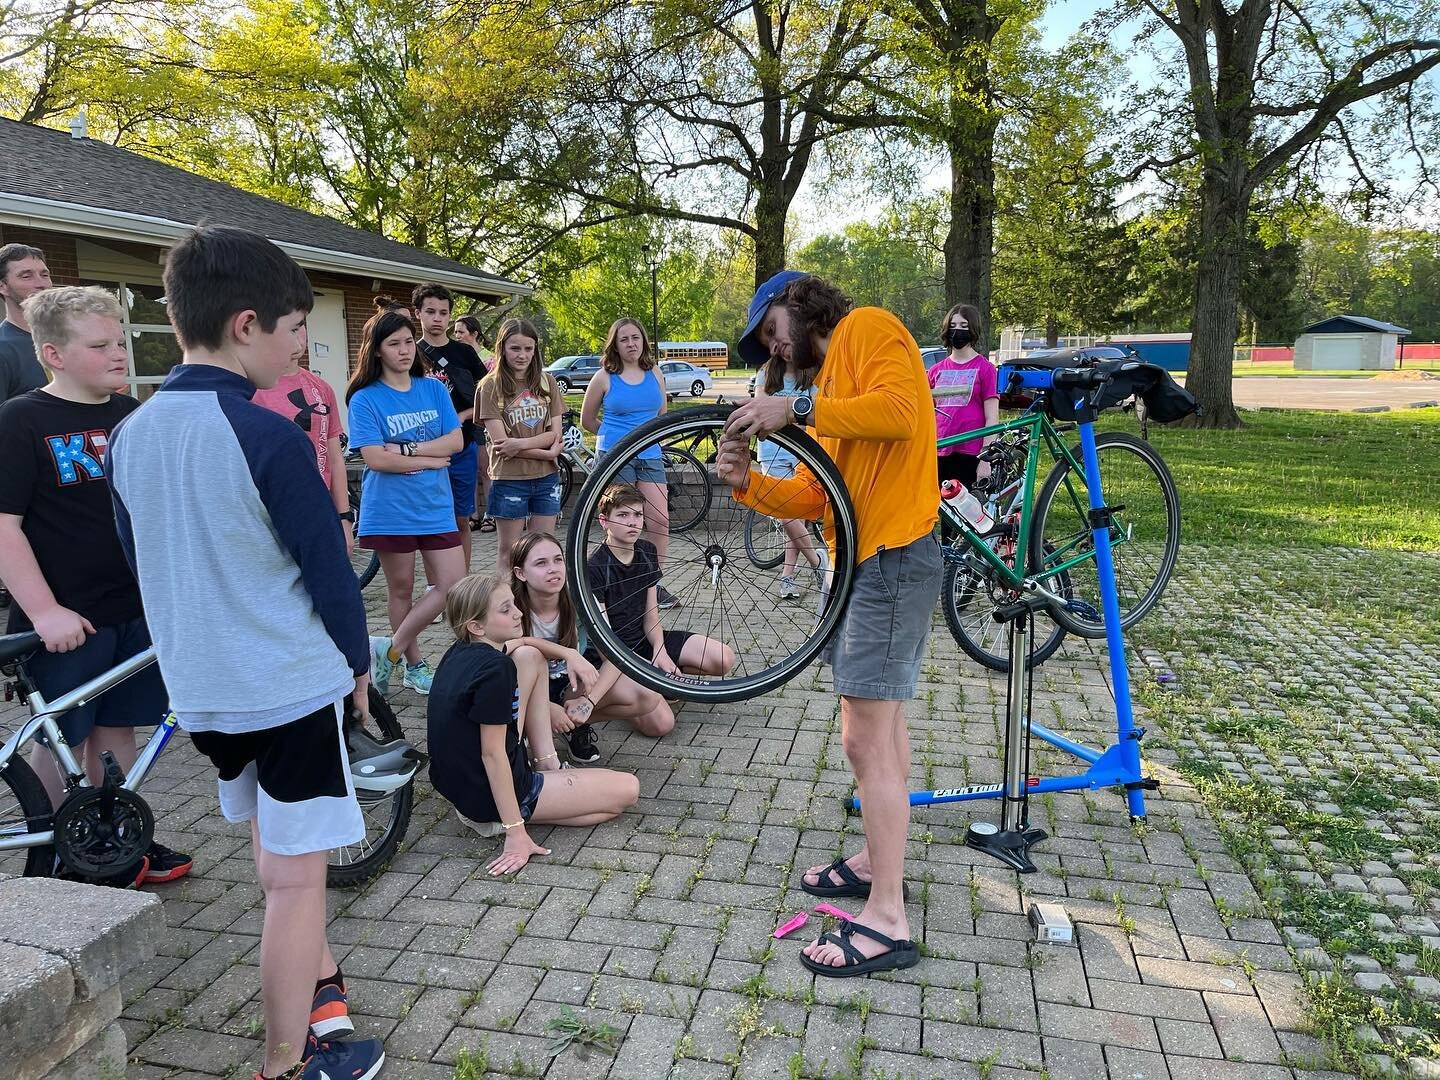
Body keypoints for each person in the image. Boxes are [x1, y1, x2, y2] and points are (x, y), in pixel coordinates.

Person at [106, 225, 384, 1079]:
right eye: (298, 326)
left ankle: (315, 994)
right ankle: (284, 1063)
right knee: (298, 884)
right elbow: (332, 576)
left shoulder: (128, 435)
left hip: (205, 692)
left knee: (276, 858)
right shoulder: (267, 437)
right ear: (247, 325)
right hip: (286, 687)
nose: (304, 345)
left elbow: (138, 557)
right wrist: (360, 670)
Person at [717, 271, 940, 978]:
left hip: (894, 554)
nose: (772, 347)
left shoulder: (866, 328)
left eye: (770, 326)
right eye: (763, 347)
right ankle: (878, 859)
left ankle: (887, 917)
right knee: (879, 727)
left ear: (798, 300)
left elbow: (902, 412)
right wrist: (746, 485)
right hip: (865, 561)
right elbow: (818, 495)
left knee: (864, 734)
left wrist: (799, 406)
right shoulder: (830, 389)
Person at [0, 285, 191, 886]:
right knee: (61, 737)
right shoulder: (22, 420)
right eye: (101, 345)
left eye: (121, 341)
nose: (119, 354)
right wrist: (44, 610)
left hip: (133, 610)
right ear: (53, 354)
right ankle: (54, 852)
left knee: (116, 730)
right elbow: (4, 528)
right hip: (64, 621)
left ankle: (107, 838)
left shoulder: (130, 415)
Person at [427, 573, 640, 875]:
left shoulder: (461, 650)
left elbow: (524, 643)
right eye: (506, 610)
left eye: (514, 604)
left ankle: (547, 767)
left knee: (530, 656)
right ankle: (510, 819)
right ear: (476, 625)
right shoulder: (495, 671)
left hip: (463, 791)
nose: (518, 613)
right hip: (491, 795)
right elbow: (492, 753)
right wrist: (515, 833)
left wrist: (568, 653)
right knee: (626, 791)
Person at [346, 310, 465, 696]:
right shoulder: (365, 399)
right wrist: (430, 460)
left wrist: (409, 449)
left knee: (451, 586)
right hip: (390, 510)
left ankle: (389, 651)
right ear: (377, 351)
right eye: (393, 343)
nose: (404, 350)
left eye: (408, 342)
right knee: (401, 590)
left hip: (435, 506)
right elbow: (377, 459)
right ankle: (414, 665)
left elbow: (456, 442)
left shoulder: (432, 389)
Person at [509, 531, 674, 762]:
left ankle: (573, 726)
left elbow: (615, 658)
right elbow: (499, 669)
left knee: (649, 695)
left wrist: (588, 703)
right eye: (541, 563)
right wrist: (545, 707)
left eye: (558, 560)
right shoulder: (510, 606)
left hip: (569, 683)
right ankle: (531, 731)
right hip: (522, 691)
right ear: (520, 573)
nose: (553, 569)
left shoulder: (580, 596)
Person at [587, 484, 734, 683]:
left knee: (723, 658)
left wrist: (660, 651)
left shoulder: (647, 550)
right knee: (659, 695)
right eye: (623, 515)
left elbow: (651, 616)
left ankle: (665, 674)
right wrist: (653, 672)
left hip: (646, 641)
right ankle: (659, 681)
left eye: (638, 515)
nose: (632, 522)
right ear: (604, 521)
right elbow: (603, 640)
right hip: (613, 655)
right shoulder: (593, 564)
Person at [580, 318, 678, 609]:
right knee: (620, 520)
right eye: (624, 339)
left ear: (643, 342)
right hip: (615, 455)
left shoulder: (655, 373)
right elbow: (587, 420)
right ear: (615, 345)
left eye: (636, 338)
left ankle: (653, 584)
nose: (631, 344)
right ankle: (616, 580)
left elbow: (661, 414)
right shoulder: (604, 377)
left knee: (659, 519)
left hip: (650, 454)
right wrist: (614, 438)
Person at [475, 317, 563, 575]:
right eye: (515, 348)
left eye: (528, 348)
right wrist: (545, 450)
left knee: (543, 551)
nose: (522, 355)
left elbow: (555, 434)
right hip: (509, 479)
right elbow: (502, 445)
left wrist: (520, 445)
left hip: (547, 477)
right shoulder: (490, 386)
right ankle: (506, 609)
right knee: (510, 552)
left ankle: (537, 608)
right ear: (502, 347)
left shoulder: (547, 382)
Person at [413, 283, 486, 570]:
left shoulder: (465, 353)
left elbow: (486, 394)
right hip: (426, 448)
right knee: (432, 521)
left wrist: (466, 415)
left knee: (461, 518)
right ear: (418, 313)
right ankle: (436, 586)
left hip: (464, 444)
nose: (437, 318)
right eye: (430, 312)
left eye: (443, 313)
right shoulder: (412, 354)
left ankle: (463, 583)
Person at [754, 351, 829, 600]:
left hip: (803, 454)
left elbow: (818, 415)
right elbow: (760, 410)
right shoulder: (767, 373)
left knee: (796, 515)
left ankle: (787, 577)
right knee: (786, 513)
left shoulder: (812, 375)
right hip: (771, 452)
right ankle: (817, 561)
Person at [929, 303, 999, 491]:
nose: (957, 331)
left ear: (973, 329)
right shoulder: (935, 371)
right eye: (953, 325)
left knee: (968, 514)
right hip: (940, 451)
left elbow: (992, 417)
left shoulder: (986, 369)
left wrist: (986, 458)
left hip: (971, 453)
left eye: (963, 326)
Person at [451, 314, 495, 534]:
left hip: (483, 420)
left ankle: (490, 514)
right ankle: (473, 514)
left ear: (475, 334)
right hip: (462, 423)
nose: (457, 336)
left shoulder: (489, 359)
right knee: (469, 471)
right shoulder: (455, 357)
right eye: (455, 331)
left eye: (461, 331)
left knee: (486, 470)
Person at [0, 243, 53, 404]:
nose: (41, 284)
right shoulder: (3, 348)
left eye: (44, 275)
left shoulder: (71, 340)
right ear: (2, 287)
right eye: (26, 276)